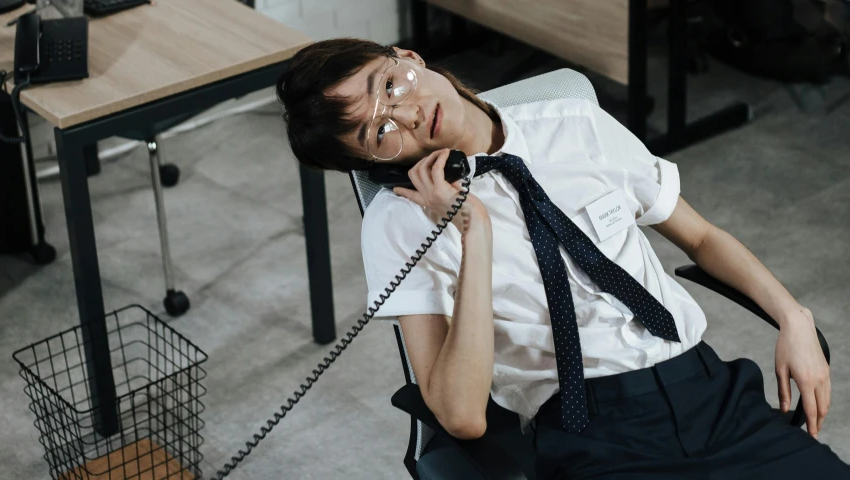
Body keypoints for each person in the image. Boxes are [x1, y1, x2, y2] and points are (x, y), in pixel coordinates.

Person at [276, 38, 849, 479]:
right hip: (590, 430)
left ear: (408, 56)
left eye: (391, 86)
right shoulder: (400, 222)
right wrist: (473, 232)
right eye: (379, 132)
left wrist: (793, 316)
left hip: (712, 390)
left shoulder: (574, 125)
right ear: (375, 161)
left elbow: (700, 237)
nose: (404, 114)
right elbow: (460, 416)